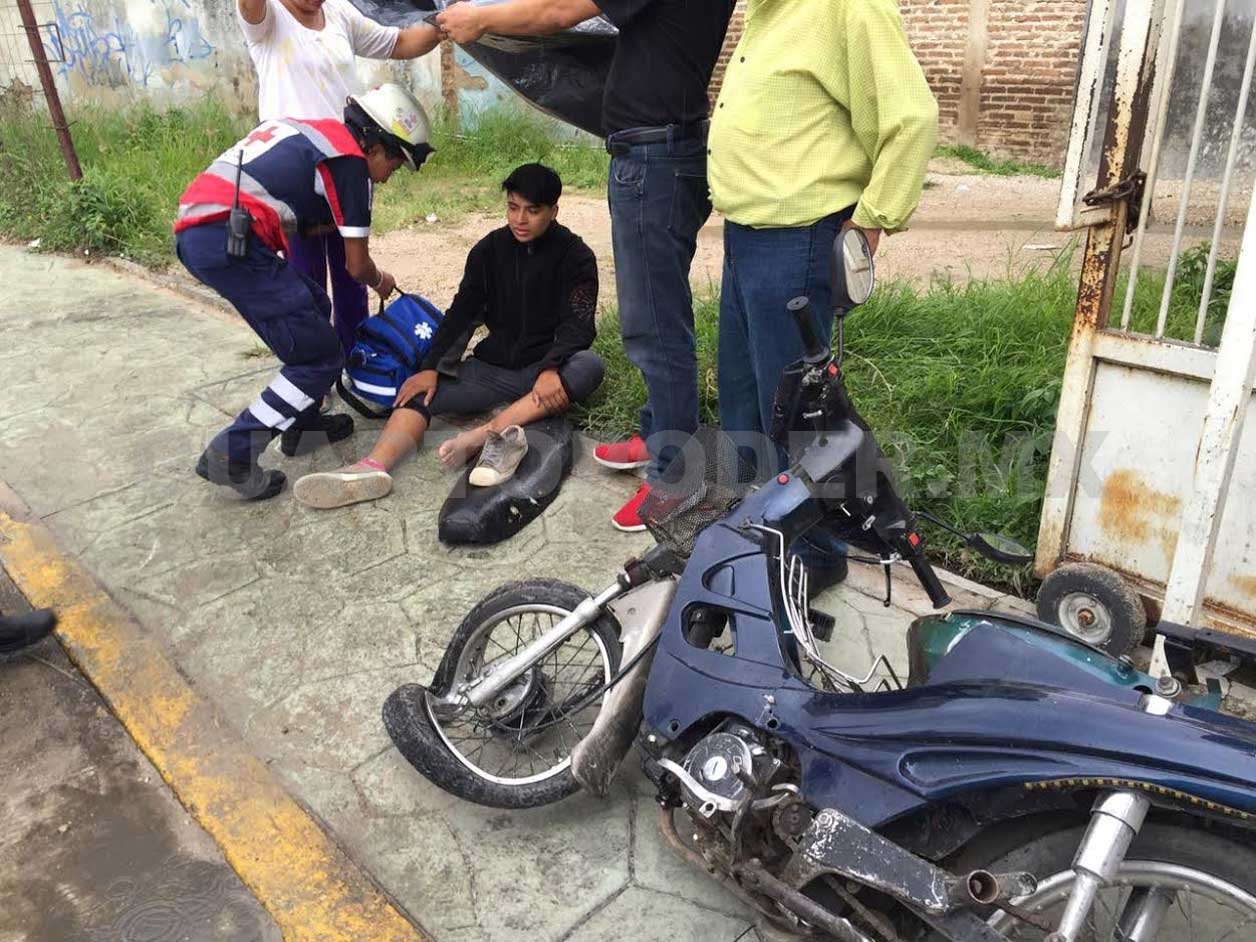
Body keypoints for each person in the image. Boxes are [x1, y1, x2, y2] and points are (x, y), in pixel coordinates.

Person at [437, 0, 736, 532]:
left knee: (655, 327)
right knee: (660, 314)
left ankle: (674, 475)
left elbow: (557, 10)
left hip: (654, 159)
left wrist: (480, 20)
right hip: (667, 151)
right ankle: (662, 431)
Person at [707, 0, 938, 588]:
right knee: (743, 395)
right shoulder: (764, 13)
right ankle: (762, 531)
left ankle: (813, 558)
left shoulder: (845, 7)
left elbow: (910, 119)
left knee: (798, 415)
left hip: (799, 239)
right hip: (748, 236)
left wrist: (868, 226)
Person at [292, 163, 604, 510]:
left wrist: (551, 367)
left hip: (544, 374)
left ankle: (480, 438)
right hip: (492, 368)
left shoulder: (576, 256)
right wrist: (432, 367)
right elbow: (462, 313)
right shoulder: (489, 251)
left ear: (553, 210)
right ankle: (371, 468)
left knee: (588, 365)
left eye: (532, 211)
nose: (520, 219)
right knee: (418, 391)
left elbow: (578, 325)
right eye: (513, 207)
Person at [176, 84, 434, 500]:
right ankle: (232, 454)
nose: (388, 177)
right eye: (395, 165)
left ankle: (303, 424)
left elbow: (295, 203)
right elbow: (356, 266)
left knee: (316, 304)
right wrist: (381, 279)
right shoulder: (351, 164)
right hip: (227, 240)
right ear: (377, 145)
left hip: (205, 229)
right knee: (319, 356)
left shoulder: (316, 134)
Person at [237, 0, 441, 355]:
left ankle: (353, 359)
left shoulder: (340, 13)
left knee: (351, 277)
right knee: (306, 280)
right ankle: (313, 370)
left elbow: (401, 43)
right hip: (300, 176)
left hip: (349, 162)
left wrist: (449, 27)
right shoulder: (267, 18)